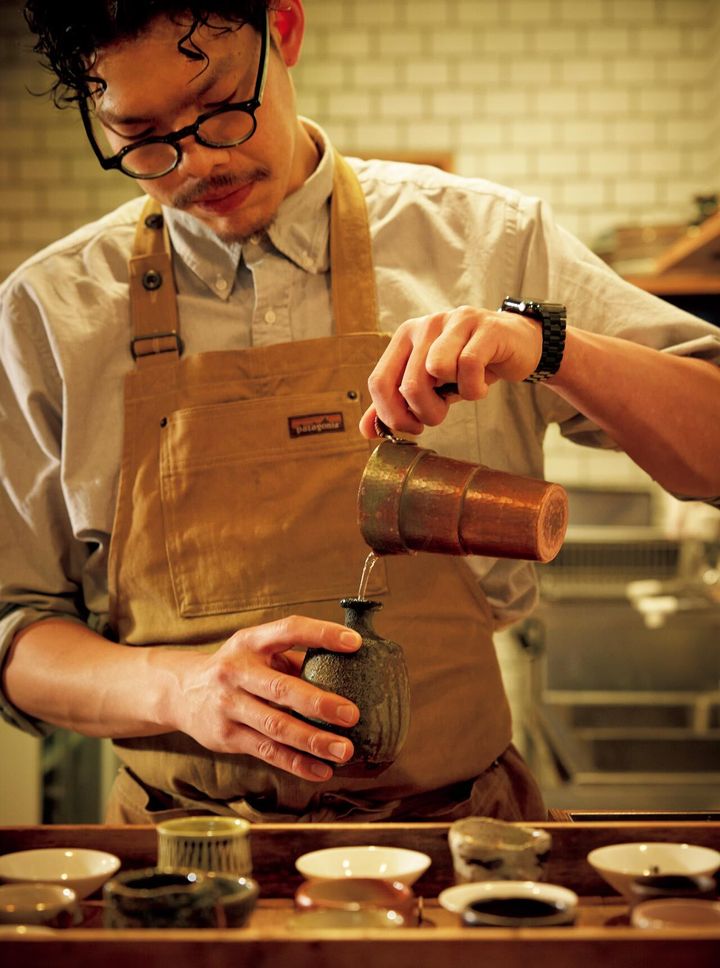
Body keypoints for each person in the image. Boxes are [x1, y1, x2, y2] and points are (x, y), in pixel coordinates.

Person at [1, 0, 718, 825]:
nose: (198, 163)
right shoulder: (48, 315)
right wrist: (180, 687)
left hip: (459, 855)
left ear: (286, 31)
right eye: (144, 136)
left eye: (221, 107)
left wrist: (550, 345)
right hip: (182, 869)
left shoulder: (486, 240)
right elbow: (17, 631)